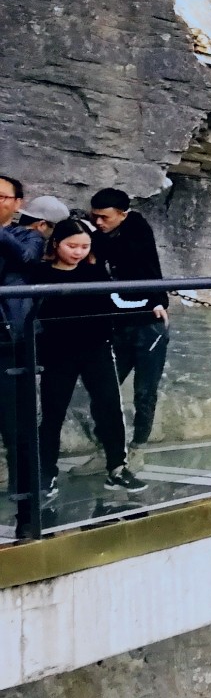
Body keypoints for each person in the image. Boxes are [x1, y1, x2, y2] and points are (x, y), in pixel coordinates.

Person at [32, 218, 139, 494]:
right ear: (56, 244)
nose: (78, 252)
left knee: (110, 408)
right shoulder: (40, 274)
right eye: (72, 246)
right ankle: (46, 472)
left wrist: (150, 306)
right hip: (57, 352)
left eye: (84, 246)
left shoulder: (95, 274)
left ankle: (117, 467)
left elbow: (115, 303)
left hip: (96, 348)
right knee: (52, 413)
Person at [89, 188, 169, 454]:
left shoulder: (136, 228)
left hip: (147, 319)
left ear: (122, 215)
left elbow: (137, 258)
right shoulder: (101, 236)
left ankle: (138, 448)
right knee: (104, 389)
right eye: (95, 217)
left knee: (145, 392)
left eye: (105, 217)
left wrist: (157, 301)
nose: (99, 222)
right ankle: (107, 450)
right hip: (116, 322)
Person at [0, 183, 60, 495]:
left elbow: (26, 259)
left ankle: (23, 491)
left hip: (10, 335)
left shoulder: (28, 238)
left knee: (15, 420)